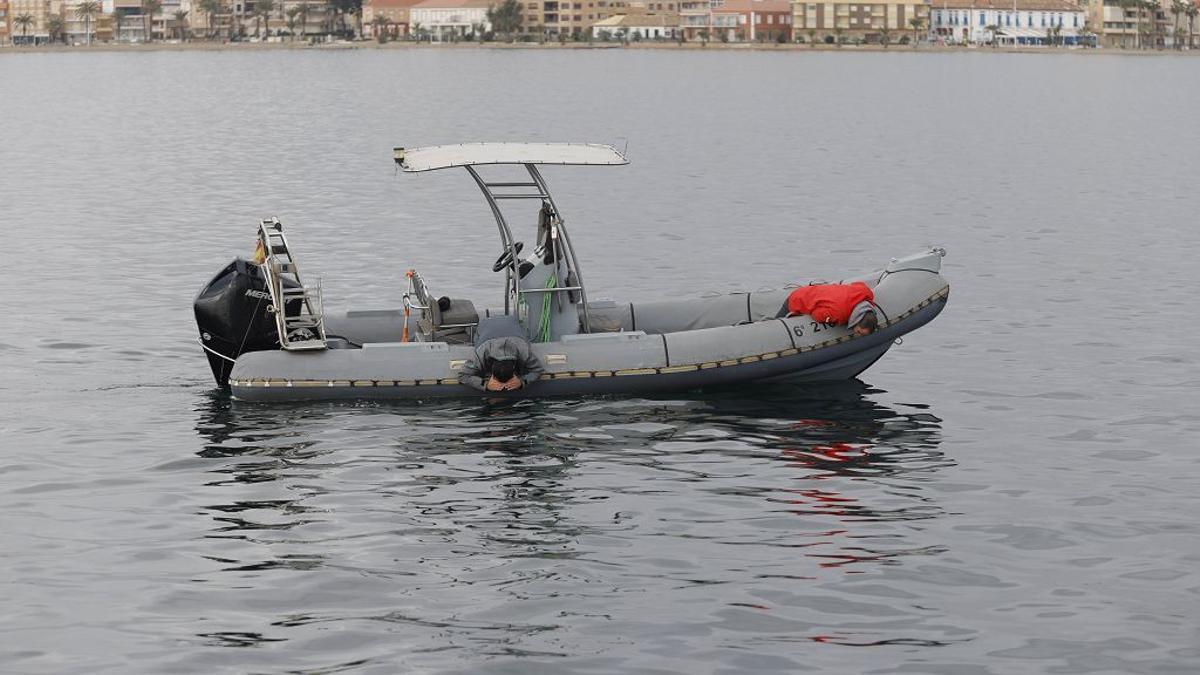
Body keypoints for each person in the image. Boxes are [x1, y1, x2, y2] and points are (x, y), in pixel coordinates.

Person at [459, 315, 544, 392]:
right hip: (485, 325)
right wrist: (485, 384)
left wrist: (522, 381)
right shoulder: (481, 351)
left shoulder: (523, 349)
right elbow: (463, 375)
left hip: (511, 322)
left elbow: (538, 370)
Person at [782, 281, 880, 336]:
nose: (857, 335)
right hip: (797, 299)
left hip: (816, 291)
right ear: (857, 320)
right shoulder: (837, 314)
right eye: (859, 332)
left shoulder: (865, 292)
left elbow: (857, 284)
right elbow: (817, 314)